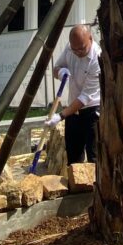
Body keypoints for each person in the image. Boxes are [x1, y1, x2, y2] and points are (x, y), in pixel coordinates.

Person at [48, 25, 101, 164]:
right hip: (73, 110)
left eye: (82, 48)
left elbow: (84, 98)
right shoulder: (71, 48)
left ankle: (92, 186)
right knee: (73, 158)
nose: (77, 52)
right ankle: (76, 185)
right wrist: (60, 73)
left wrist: (60, 115)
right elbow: (55, 68)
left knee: (94, 158)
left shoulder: (97, 58)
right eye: (74, 49)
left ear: (91, 38)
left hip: (92, 111)